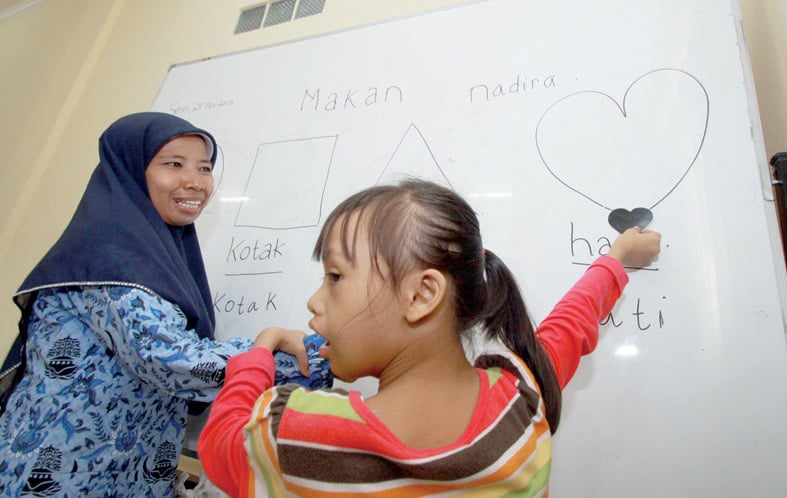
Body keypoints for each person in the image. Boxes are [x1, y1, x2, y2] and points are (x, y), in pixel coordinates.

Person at [198, 179, 661, 497]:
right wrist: (616, 259)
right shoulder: (522, 399)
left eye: (335, 277)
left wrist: (258, 353)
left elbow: (219, 442)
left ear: (422, 295)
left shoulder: (298, 440)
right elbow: (569, 327)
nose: (315, 302)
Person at [0, 112, 255, 497]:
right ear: (130, 171)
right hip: (61, 477)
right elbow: (170, 359)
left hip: (126, 474)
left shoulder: (161, 257)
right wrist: (293, 356)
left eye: (204, 168)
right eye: (174, 164)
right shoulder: (107, 256)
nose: (196, 182)